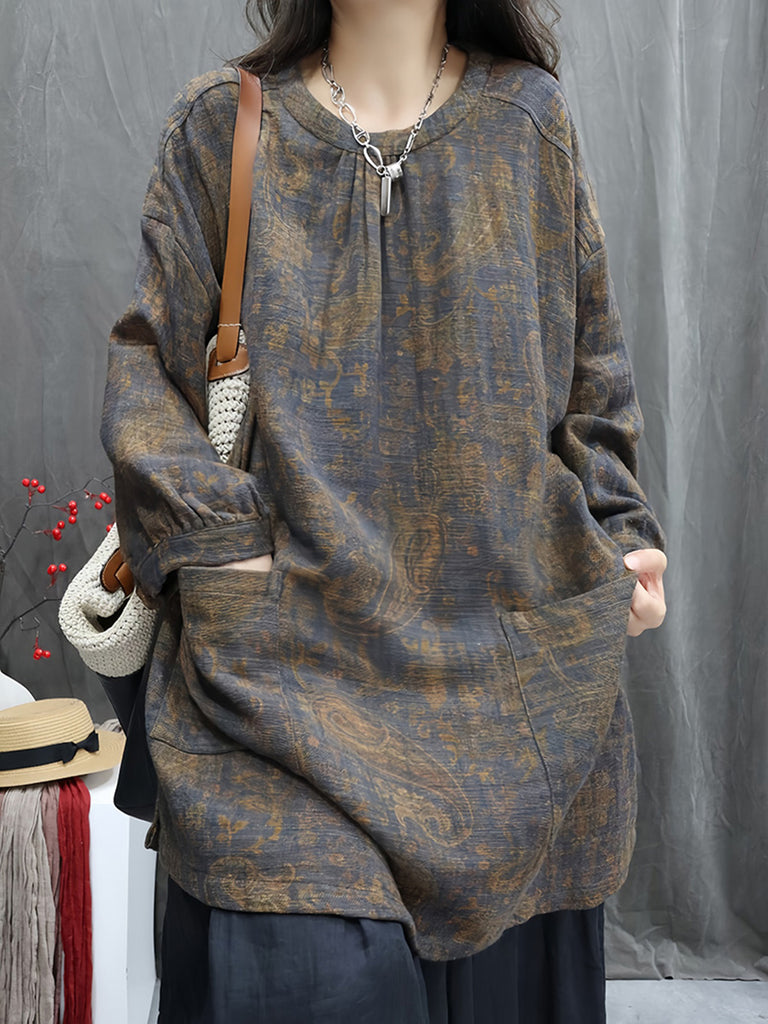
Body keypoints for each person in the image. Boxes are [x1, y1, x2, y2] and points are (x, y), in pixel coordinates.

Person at [100, 0, 668, 1020]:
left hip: (512, 700)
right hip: (277, 700)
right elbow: (148, 386)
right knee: (309, 976)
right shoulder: (222, 125)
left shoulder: (527, 119)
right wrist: (224, 551)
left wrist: (620, 534)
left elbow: (594, 375)